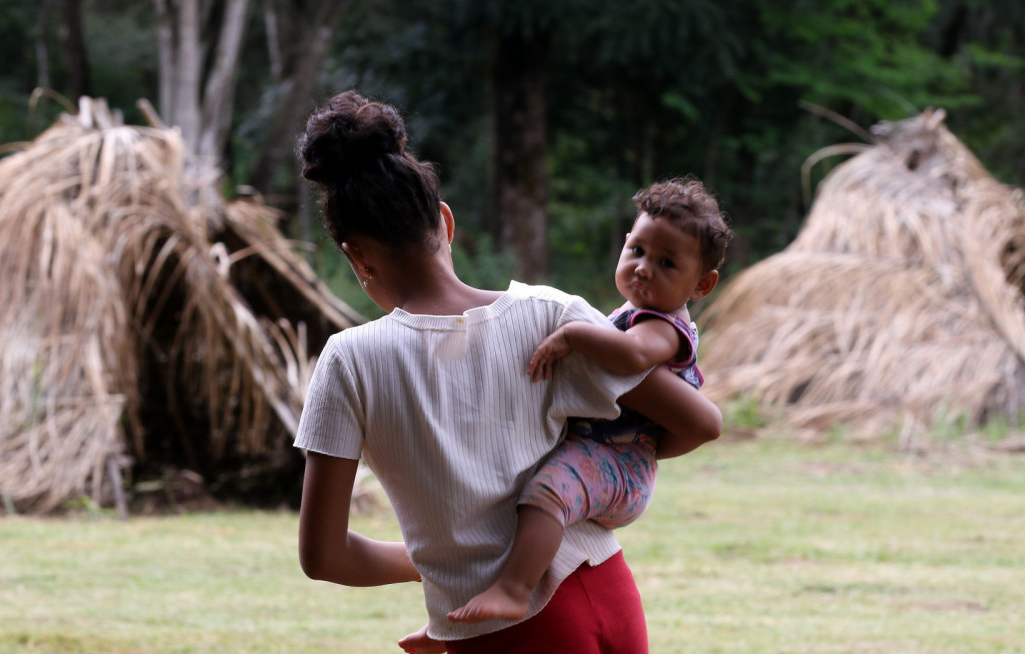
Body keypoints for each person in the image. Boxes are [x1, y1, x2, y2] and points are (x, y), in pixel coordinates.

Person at [292, 91, 723, 654]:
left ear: (357, 258)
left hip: (503, 630)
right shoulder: (550, 313)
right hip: (607, 588)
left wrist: (441, 560)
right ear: (446, 222)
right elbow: (698, 421)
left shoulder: (349, 362)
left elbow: (325, 558)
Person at [445, 178, 730, 626]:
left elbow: (633, 356)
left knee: (547, 491)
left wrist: (574, 334)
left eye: (667, 262)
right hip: (605, 449)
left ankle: (513, 591)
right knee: (509, 496)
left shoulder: (662, 328)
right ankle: (455, 608)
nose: (643, 268)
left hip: (619, 461)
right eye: (637, 250)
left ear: (702, 284)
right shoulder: (633, 312)